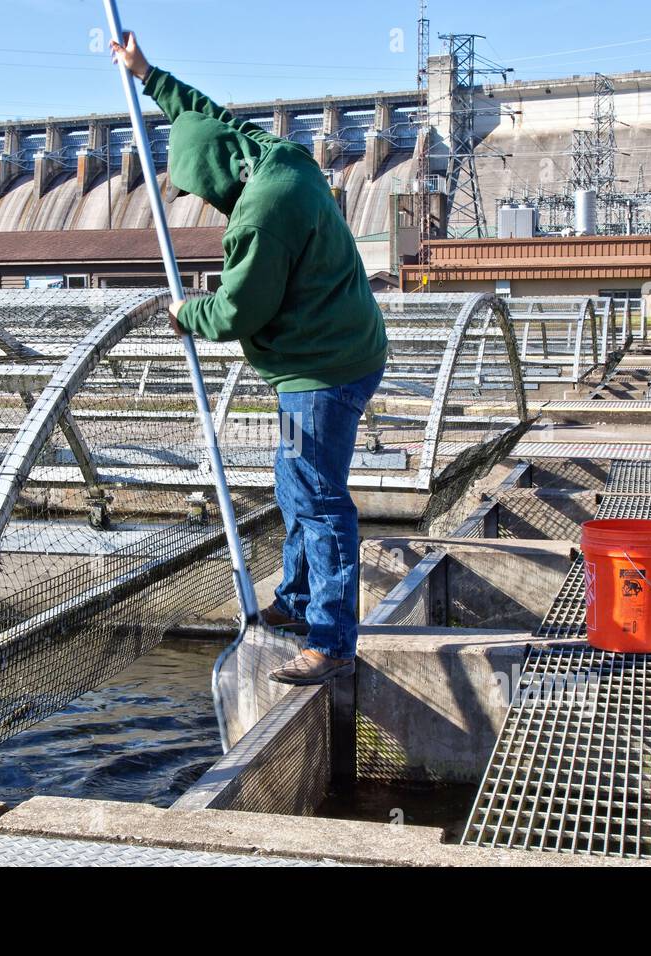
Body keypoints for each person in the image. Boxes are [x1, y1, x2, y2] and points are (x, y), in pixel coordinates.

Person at [112, 33, 387, 685]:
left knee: (317, 496)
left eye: (209, 198)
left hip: (322, 375)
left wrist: (186, 313)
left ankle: (332, 638)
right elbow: (207, 117)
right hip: (326, 361)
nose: (215, 207)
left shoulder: (260, 218)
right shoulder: (275, 155)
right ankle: (295, 602)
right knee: (294, 481)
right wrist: (149, 76)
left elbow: (237, 312)